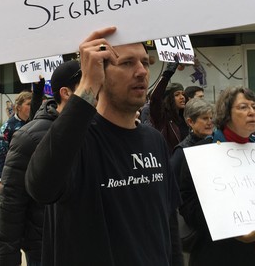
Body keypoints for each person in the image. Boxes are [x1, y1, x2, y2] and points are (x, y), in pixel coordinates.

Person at [25, 27, 182, 266]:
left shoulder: (155, 141)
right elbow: (41, 187)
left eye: (144, 62)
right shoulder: (76, 140)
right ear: (100, 74)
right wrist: (87, 86)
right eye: (127, 63)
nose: (141, 71)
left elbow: (168, 224)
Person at [180, 86, 255, 265]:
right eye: (243, 107)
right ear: (226, 113)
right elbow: (187, 205)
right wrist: (229, 227)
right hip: (219, 255)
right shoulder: (202, 153)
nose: (252, 112)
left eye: (254, 107)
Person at [0, 60, 82, 266]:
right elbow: (11, 205)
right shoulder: (29, 137)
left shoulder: (97, 130)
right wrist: (8, 260)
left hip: (88, 241)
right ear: (66, 93)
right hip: (45, 245)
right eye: (89, 84)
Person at [0, 91, 32, 188]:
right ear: (18, 107)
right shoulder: (7, 127)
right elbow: (0, 154)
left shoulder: (35, 122)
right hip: (15, 174)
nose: (32, 106)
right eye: (28, 104)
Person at [170, 98, 214, 180]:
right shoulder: (182, 151)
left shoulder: (216, 143)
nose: (210, 122)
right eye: (205, 118)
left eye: (211, 118)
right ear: (190, 122)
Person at [149, 59, 187, 150]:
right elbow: (155, 98)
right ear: (169, 99)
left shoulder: (186, 118)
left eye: (183, 94)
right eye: (177, 95)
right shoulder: (162, 117)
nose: (182, 97)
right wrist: (167, 74)